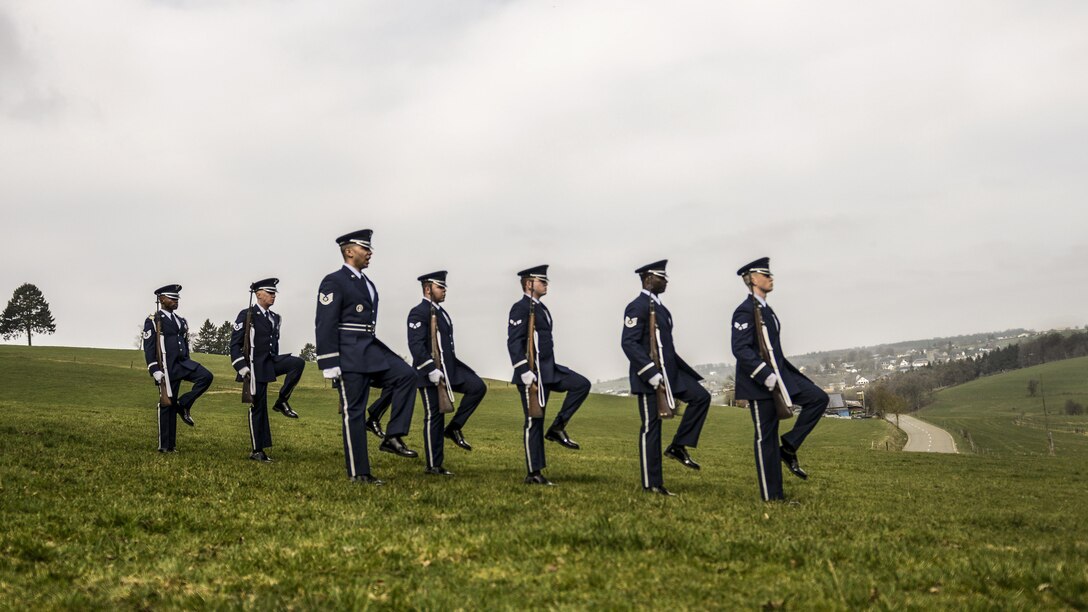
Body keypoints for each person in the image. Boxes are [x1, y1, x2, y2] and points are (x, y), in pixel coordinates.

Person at [315, 229, 418, 485]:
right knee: (354, 412)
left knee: (406, 376)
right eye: (364, 248)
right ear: (349, 251)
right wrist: (328, 361)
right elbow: (325, 322)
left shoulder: (367, 282)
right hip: (348, 352)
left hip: (370, 347)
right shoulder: (334, 281)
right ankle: (359, 472)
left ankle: (392, 436)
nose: (370, 252)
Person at [731, 257, 829, 502]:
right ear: (753, 279)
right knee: (766, 439)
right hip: (759, 384)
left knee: (818, 398)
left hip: (782, 377)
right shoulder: (744, 311)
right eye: (766, 275)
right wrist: (766, 376)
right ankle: (772, 497)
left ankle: (789, 447)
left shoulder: (766, 309)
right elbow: (741, 349)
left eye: (770, 274)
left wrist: (780, 376)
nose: (771, 277)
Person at [620, 260, 711, 496]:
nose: (666, 280)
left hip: (671, 374)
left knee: (701, 397)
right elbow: (628, 343)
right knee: (652, 428)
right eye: (661, 277)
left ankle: (678, 446)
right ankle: (653, 483)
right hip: (649, 377)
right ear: (649, 279)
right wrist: (650, 372)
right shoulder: (636, 307)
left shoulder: (662, 309)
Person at [507, 265, 590, 485]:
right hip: (532, 375)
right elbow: (514, 342)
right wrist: (523, 370)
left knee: (581, 385)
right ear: (528, 284)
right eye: (541, 281)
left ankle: (557, 428)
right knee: (534, 421)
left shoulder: (541, 308)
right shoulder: (520, 308)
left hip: (549, 371)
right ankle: (533, 473)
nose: (546, 284)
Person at [405, 270, 487, 475]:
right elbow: (416, 345)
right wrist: (430, 368)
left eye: (444, 287)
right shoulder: (418, 312)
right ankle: (434, 465)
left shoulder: (441, 312)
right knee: (434, 416)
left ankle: (454, 427)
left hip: (450, 370)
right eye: (440, 287)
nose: (444, 290)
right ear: (427, 288)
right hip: (428, 373)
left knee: (478, 387)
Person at [229, 278, 306, 463]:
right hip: (254, 367)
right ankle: (257, 450)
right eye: (270, 293)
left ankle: (282, 401)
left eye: (274, 294)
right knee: (258, 407)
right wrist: (242, 367)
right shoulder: (247, 315)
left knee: (298, 363)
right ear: (258, 294)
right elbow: (234, 345)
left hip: (270, 362)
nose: (273, 296)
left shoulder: (274, 317)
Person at [141, 284, 213, 452]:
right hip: (166, 366)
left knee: (206, 376)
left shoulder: (181, 321)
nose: (175, 301)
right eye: (172, 298)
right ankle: (166, 446)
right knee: (167, 404)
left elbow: (185, 344)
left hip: (182, 363)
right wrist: (154, 369)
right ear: (161, 299)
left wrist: (187, 359)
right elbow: (149, 346)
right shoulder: (153, 320)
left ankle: (184, 403)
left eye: (177, 299)